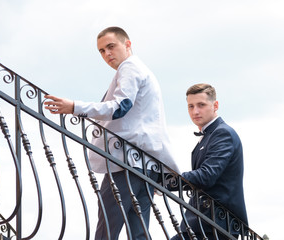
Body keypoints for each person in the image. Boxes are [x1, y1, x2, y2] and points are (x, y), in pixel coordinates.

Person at [44, 26, 180, 240]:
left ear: (127, 44)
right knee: (139, 233)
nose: (107, 54)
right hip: (144, 164)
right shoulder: (140, 70)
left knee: (107, 227)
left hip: (127, 163)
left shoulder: (130, 68)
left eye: (111, 47)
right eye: (101, 51)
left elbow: (120, 107)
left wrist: (75, 107)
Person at [170, 83, 248, 240]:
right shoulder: (208, 136)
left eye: (201, 105)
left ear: (215, 105)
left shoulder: (223, 133)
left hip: (216, 225)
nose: (195, 111)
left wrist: (166, 179)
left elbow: (206, 176)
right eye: (190, 106)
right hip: (200, 223)